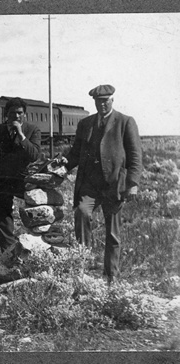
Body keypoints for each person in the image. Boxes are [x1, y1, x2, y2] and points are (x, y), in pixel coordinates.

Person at [57, 84, 142, 285]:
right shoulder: (85, 124)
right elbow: (76, 153)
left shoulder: (125, 122)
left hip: (114, 186)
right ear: (94, 102)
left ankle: (111, 276)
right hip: (90, 186)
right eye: (98, 101)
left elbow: (135, 156)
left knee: (113, 233)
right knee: (82, 213)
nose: (102, 104)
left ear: (112, 100)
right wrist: (64, 165)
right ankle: (82, 267)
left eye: (105, 100)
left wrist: (133, 183)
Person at [0, 97, 41, 253]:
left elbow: (34, 155)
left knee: (38, 210)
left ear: (24, 114)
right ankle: (10, 254)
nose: (16, 116)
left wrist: (21, 135)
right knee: (3, 219)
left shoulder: (32, 130)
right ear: (7, 114)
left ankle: (35, 247)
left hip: (22, 180)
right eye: (13, 113)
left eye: (20, 113)